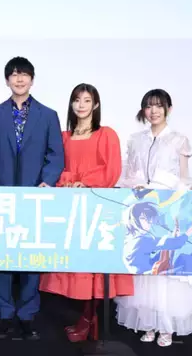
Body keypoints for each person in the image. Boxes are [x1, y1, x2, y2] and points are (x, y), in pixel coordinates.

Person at [0, 56, 64, 340]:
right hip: (1, 195)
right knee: (1, 256)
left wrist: (47, 181)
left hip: (35, 196)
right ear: (7, 80)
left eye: (24, 74)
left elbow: (55, 154)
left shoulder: (48, 115)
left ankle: (27, 314)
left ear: (32, 80)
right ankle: (3, 314)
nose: (19, 79)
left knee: (31, 257)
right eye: (14, 74)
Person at [39, 83, 134, 342]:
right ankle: (86, 317)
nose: (81, 105)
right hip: (71, 208)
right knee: (78, 263)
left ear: (96, 105)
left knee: (96, 265)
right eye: (77, 100)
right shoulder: (63, 137)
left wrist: (84, 181)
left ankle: (89, 319)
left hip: (98, 206)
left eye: (87, 100)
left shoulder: (106, 134)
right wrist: (69, 181)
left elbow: (111, 171)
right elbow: (56, 169)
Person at [114, 88, 192, 347]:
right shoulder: (135, 140)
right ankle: (148, 323)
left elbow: (184, 176)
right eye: (149, 106)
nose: (153, 111)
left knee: (166, 268)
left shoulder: (178, 140)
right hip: (142, 209)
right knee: (144, 267)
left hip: (168, 211)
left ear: (168, 109)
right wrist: (136, 185)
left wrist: (188, 190)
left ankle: (166, 327)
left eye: (159, 106)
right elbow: (127, 174)